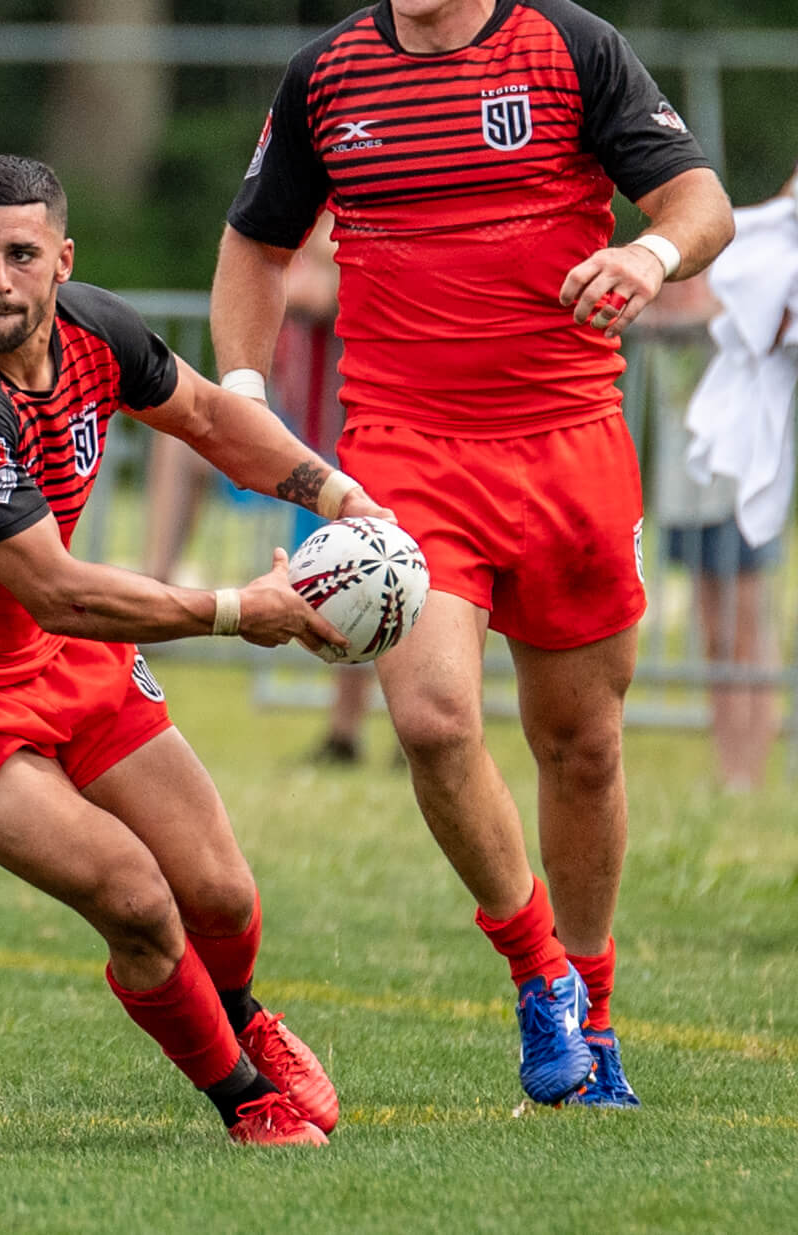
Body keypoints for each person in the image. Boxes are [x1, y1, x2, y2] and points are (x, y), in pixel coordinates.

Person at [212, 0, 734, 1109]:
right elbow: (257, 243)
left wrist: (647, 253)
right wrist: (249, 404)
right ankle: (538, 969)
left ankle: (595, 1013)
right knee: (434, 719)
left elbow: (700, 202)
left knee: (582, 744)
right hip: (405, 454)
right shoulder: (329, 74)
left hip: (571, 446)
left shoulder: (572, 47)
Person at [0, 155, 393, 1146]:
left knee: (218, 890)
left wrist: (342, 498)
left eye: (19, 253)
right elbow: (60, 585)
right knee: (135, 897)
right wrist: (236, 607)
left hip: (49, 646)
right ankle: (242, 1096)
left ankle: (243, 1012)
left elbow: (214, 417)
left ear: (61, 260)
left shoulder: (97, 327)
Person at [142, 213, 375, 764]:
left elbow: (315, 290)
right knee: (177, 444)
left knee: (364, 581)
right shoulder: (302, 221)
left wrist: (282, 266)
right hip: (291, 438)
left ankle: (346, 733)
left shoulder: (354, 230)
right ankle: (157, 583)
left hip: (347, 447)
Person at [645, 274, 781, 794]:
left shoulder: (731, 297)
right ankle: (730, 772)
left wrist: (687, 316)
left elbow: (744, 322)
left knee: (747, 635)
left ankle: (752, 766)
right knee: (714, 638)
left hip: (738, 489)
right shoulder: (649, 294)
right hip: (684, 495)